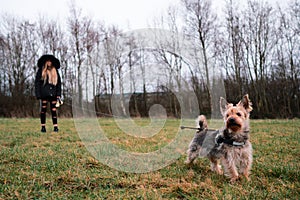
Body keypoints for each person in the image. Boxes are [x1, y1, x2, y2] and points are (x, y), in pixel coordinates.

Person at [35, 54, 62, 132]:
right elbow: (37, 83)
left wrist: (58, 95)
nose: (49, 63)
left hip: (53, 94)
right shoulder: (41, 71)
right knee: (43, 110)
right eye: (48, 61)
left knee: (54, 110)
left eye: (50, 61)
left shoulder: (55, 71)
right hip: (44, 94)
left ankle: (55, 127)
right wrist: (38, 94)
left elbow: (59, 84)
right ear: (45, 62)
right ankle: (43, 127)